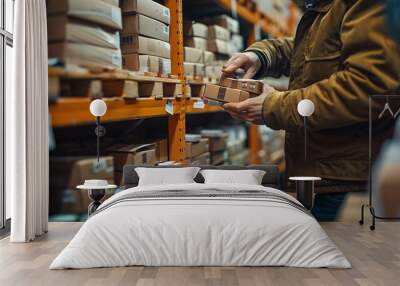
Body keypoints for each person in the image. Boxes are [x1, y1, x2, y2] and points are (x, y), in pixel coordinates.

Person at [222, 0, 400, 221]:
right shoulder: (328, 7)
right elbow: (313, 51)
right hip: (325, 175)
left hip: (347, 184)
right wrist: (262, 56)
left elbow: (368, 86)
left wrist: (274, 106)